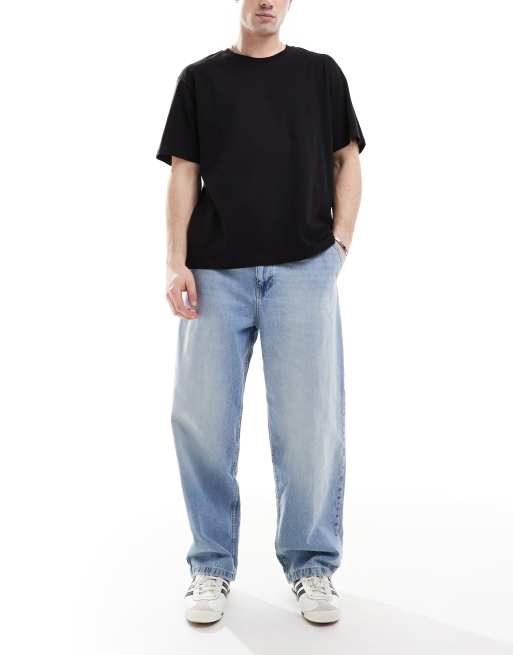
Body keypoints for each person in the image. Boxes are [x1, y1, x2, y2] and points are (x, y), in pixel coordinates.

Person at [156, 0, 365, 624]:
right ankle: (210, 566)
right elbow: (184, 174)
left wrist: (340, 246)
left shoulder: (320, 74)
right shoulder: (200, 79)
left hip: (303, 269)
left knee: (308, 426)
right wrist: (175, 261)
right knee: (201, 421)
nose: (267, 1)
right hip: (215, 275)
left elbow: (347, 160)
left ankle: (312, 566)